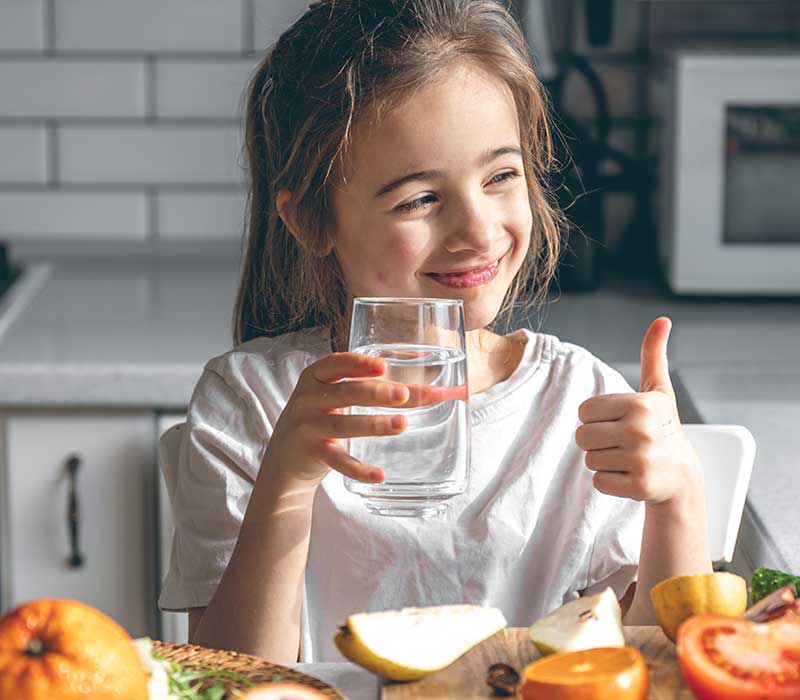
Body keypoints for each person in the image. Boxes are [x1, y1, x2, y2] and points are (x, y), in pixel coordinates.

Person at [158, 0, 711, 663]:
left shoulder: (580, 401)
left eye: (501, 177)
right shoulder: (250, 402)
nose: (478, 232)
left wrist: (679, 498)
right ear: (311, 220)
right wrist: (286, 483)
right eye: (419, 199)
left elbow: (648, 665)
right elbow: (231, 681)